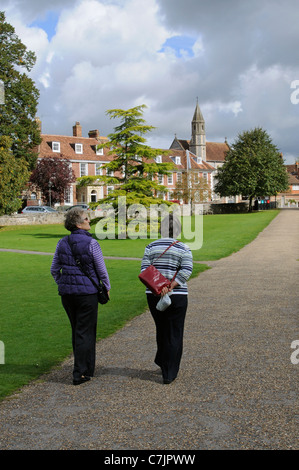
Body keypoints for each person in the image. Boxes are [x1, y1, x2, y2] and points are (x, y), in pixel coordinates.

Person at [51, 207, 111, 385]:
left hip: (67, 295)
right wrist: (106, 287)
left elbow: (54, 269)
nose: (89, 221)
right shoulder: (92, 244)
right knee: (85, 331)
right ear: (78, 223)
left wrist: (63, 283)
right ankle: (80, 372)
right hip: (87, 295)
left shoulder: (62, 243)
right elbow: (101, 270)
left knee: (78, 330)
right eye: (86, 219)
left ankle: (87, 368)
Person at [140, 213, 193, 384]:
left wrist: (159, 287)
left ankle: (162, 362)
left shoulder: (150, 246)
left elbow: (145, 270)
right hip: (177, 295)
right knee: (175, 332)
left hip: (154, 295)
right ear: (178, 230)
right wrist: (170, 286)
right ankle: (169, 372)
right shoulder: (183, 248)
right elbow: (186, 270)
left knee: (161, 329)